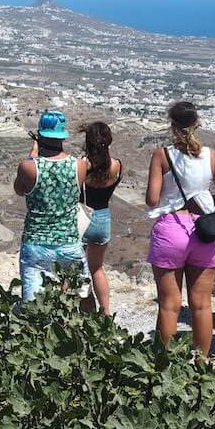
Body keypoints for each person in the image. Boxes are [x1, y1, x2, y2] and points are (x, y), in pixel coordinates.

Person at [145, 102, 215, 355]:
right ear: (198, 123)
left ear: (172, 126)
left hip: (172, 229)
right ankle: (201, 364)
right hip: (204, 232)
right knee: (202, 306)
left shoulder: (162, 155)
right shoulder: (212, 156)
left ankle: (163, 368)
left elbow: (152, 200)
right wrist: (205, 198)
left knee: (169, 306)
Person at [14, 110, 91, 306]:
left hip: (36, 244)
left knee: (33, 307)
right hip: (69, 243)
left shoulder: (28, 167)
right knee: (67, 305)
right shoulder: (79, 166)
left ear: (39, 136)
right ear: (62, 137)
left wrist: (32, 155)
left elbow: (19, 190)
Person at [80, 121, 122, 314]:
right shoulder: (117, 166)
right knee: (97, 269)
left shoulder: (81, 165)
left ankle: (84, 311)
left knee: (76, 269)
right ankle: (105, 314)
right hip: (103, 219)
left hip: (81, 219)